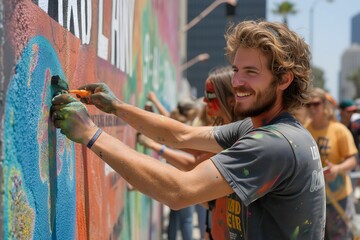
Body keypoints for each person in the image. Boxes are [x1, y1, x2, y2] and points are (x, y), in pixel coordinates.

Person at [51, 20, 325, 239]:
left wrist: (91, 134)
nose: (237, 82)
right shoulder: (269, 128)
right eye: (236, 69)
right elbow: (181, 135)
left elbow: (180, 191)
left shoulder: (272, 142)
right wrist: (117, 107)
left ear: (284, 80)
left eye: (251, 72)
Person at [305, 88, 357, 239]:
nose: (312, 108)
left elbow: (353, 159)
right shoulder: (305, 130)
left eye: (316, 104)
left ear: (325, 105)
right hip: (314, 197)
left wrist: (337, 169)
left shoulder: (339, 130)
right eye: (308, 105)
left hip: (338, 197)